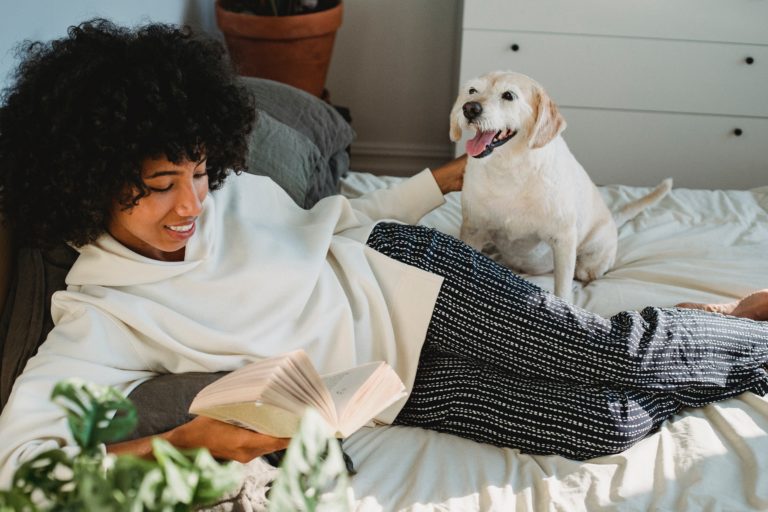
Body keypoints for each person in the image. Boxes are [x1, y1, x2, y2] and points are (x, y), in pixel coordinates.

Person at [1, 19, 767, 487]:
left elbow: (337, 221)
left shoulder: (231, 196)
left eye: (200, 172)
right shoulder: (98, 311)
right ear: (92, 182)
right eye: (161, 184)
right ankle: (707, 328)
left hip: (406, 276)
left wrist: (435, 181)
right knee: (599, 424)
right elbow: (22, 470)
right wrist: (178, 443)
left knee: (611, 352)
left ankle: (746, 334)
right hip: (388, 386)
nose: (194, 203)